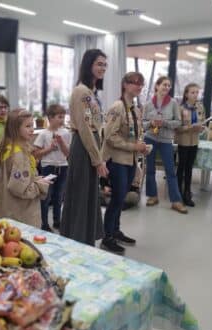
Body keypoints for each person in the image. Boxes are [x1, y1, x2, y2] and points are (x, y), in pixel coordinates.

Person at [60, 49, 108, 246]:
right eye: (99, 64)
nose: (102, 68)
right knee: (81, 196)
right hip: (84, 147)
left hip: (91, 145)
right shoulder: (82, 92)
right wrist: (97, 160)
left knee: (89, 196)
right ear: (88, 65)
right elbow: (85, 128)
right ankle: (78, 241)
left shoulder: (91, 93)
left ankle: (85, 240)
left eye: (105, 65)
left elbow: (95, 126)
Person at [101, 72, 148, 253]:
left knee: (121, 198)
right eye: (135, 83)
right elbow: (110, 136)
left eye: (141, 84)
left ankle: (116, 230)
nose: (138, 86)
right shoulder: (117, 107)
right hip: (117, 159)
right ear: (125, 85)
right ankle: (107, 237)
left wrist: (141, 146)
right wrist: (133, 146)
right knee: (116, 199)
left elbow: (135, 134)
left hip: (131, 160)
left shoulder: (135, 110)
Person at [0, 109, 50, 226]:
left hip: (9, 208)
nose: (32, 129)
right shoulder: (19, 155)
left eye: (32, 125)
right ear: (15, 128)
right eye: (27, 126)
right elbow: (20, 189)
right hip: (22, 214)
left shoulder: (10, 148)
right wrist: (41, 184)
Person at [142, 76, 187, 214]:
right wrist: (151, 123)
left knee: (170, 171)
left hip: (166, 140)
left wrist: (165, 123)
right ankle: (152, 196)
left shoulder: (173, 103)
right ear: (157, 86)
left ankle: (176, 201)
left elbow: (178, 122)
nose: (167, 88)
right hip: (150, 138)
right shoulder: (148, 104)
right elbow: (142, 124)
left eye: (169, 85)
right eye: (164, 85)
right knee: (150, 169)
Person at [33, 104, 71, 232]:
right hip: (48, 167)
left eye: (63, 117)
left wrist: (61, 143)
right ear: (50, 117)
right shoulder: (43, 134)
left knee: (59, 196)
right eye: (59, 117)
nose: (62, 120)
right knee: (46, 197)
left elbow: (68, 154)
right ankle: (44, 223)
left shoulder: (66, 133)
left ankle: (57, 221)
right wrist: (49, 148)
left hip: (63, 167)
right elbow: (35, 154)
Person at [175, 83, 206, 207]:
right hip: (183, 141)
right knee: (181, 167)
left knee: (189, 168)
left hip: (194, 142)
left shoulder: (200, 107)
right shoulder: (180, 108)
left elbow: (202, 121)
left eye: (197, 92)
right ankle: (178, 193)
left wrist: (201, 127)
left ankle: (187, 192)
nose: (195, 95)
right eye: (192, 92)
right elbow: (177, 128)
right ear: (186, 94)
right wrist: (189, 127)